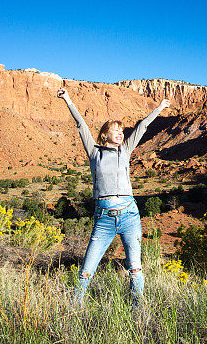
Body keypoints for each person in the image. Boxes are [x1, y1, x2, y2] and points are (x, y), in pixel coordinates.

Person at [57, 87, 169, 307]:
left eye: (122, 131)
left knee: (135, 268)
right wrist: (67, 99)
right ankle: (73, 310)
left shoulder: (125, 150)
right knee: (86, 271)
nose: (121, 133)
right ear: (104, 134)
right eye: (116, 130)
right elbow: (81, 124)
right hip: (104, 219)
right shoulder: (94, 152)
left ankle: (138, 310)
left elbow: (142, 127)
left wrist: (159, 108)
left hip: (130, 215)